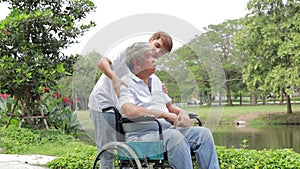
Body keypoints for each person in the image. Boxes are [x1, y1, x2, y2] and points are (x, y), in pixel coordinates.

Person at [118, 42, 220, 169]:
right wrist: (163, 114)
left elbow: (170, 106)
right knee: (175, 137)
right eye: (149, 57)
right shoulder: (125, 83)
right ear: (137, 62)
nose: (154, 60)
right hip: (141, 136)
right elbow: (129, 110)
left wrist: (181, 112)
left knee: (203, 134)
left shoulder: (155, 80)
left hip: (165, 132)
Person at [88, 31, 173, 169]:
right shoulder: (128, 48)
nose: (157, 52)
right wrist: (114, 78)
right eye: (157, 45)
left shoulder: (147, 62)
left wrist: (157, 88)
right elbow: (102, 63)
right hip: (104, 103)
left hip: (124, 106)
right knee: (107, 151)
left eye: (162, 52)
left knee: (128, 151)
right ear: (151, 39)